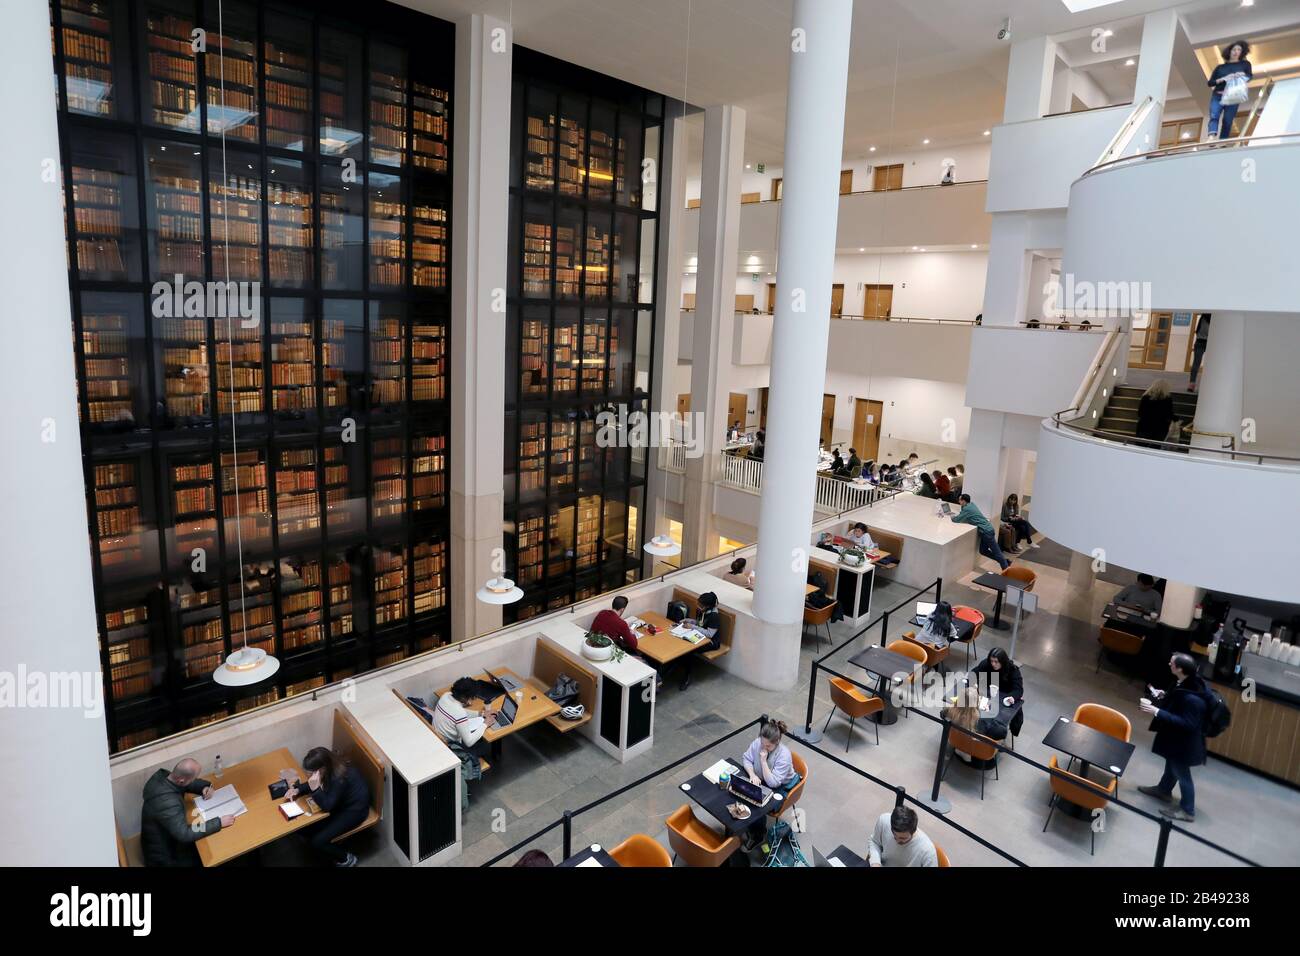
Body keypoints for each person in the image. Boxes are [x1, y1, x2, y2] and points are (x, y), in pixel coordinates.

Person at [1138, 653, 1209, 822]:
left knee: (1182, 774)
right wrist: (1165, 695)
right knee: (1172, 765)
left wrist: (1157, 711)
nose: (1169, 663)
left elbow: (1187, 723)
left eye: (1172, 663)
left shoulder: (1193, 699)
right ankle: (1163, 790)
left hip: (1185, 745)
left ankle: (1187, 810)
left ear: (1180, 669)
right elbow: (1178, 695)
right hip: (1177, 741)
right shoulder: (1185, 682)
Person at [140, 758, 234, 867]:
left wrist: (203, 787)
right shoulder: (169, 804)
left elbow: (185, 783)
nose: (194, 780)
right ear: (181, 780)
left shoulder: (163, 777)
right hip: (164, 856)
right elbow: (184, 834)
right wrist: (218, 823)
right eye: (194, 778)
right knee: (214, 853)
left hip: (166, 838)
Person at [286, 747, 371, 867]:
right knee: (303, 828)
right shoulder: (331, 766)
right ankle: (328, 842)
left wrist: (315, 790)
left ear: (321, 770)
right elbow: (316, 783)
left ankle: (347, 859)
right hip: (341, 803)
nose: (309, 776)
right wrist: (298, 789)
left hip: (355, 811)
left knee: (317, 842)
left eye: (310, 773)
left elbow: (327, 806)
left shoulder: (339, 778)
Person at [433, 677, 497, 761]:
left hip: (438, 739)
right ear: (464, 697)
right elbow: (469, 742)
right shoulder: (459, 713)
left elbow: (459, 712)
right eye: (472, 697)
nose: (472, 701)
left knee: (479, 737)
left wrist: (480, 713)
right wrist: (485, 724)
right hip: (450, 747)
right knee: (485, 747)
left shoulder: (446, 696)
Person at [944, 685, 1008, 767]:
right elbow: (1003, 732)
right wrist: (988, 714)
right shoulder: (982, 720)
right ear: (976, 702)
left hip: (956, 743)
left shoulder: (948, 711)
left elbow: (943, 715)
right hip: (978, 754)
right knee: (997, 735)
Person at [972, 646, 1025, 738]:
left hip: (1004, 698)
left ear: (1003, 661)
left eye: (996, 662)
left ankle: (990, 733)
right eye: (992, 661)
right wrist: (974, 684)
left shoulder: (1013, 670)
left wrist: (1012, 697)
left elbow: (1018, 689)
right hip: (988, 695)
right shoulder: (986, 664)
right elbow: (974, 673)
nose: (993, 664)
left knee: (998, 719)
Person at [1206, 40, 1252, 141]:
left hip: (1233, 96)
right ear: (1229, 51)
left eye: (1239, 50)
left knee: (1228, 120)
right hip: (1218, 95)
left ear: (1242, 52)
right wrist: (1223, 78)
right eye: (1234, 49)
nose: (1236, 52)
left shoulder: (1245, 64)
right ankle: (1211, 136)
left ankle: (1223, 141)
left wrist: (1241, 75)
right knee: (1214, 115)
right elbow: (1210, 83)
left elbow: (1249, 76)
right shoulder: (1220, 68)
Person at [951, 494, 1010, 570]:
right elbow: (965, 514)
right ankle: (1005, 561)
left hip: (986, 532)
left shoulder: (967, 509)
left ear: (963, 501)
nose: (958, 501)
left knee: (997, 552)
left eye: (960, 500)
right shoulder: (971, 505)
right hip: (987, 530)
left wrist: (951, 517)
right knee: (983, 551)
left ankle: (1006, 568)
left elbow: (956, 520)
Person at [867, 806, 937, 867]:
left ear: (913, 832)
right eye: (894, 835)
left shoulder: (927, 851)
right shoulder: (884, 821)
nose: (897, 841)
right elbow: (874, 842)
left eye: (902, 838)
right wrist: (875, 862)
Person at [742, 719, 798, 791]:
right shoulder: (757, 742)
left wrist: (763, 761)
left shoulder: (784, 756)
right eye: (762, 743)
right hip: (761, 780)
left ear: (777, 742)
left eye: (768, 746)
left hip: (782, 786)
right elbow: (747, 759)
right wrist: (752, 775)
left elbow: (773, 783)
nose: (764, 748)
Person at [1136, 379, 1175, 447]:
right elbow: (1169, 414)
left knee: (1141, 446)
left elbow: (1140, 413)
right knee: (1155, 447)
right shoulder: (1167, 399)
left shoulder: (1145, 397)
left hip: (1145, 426)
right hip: (1160, 428)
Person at [1188, 314, 1211, 391]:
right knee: (1209, 365)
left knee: (1196, 363)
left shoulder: (1202, 318)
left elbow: (1198, 331)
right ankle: (1208, 385)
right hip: (1208, 342)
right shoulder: (1213, 320)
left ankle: (1191, 384)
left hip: (1199, 341)